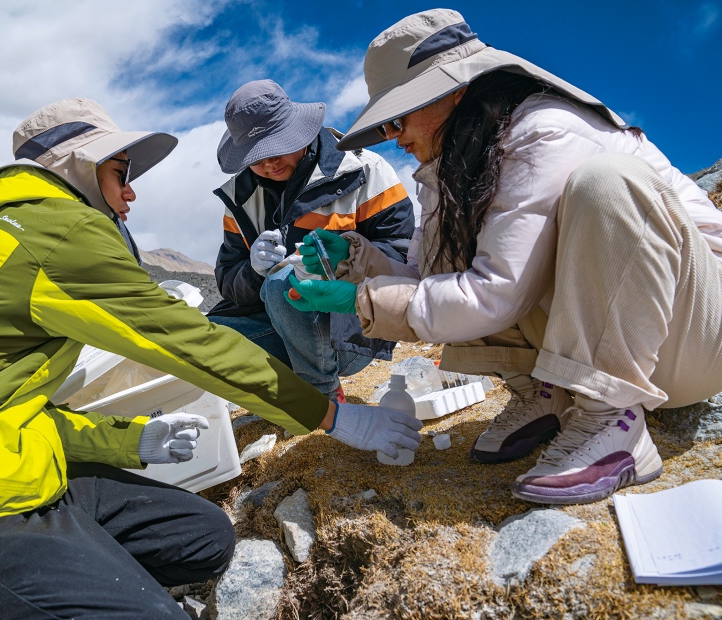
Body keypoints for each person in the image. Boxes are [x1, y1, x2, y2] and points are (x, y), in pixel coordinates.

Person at [0, 98, 423, 620]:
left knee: (205, 541)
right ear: (77, 169)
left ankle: (57, 586)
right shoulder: (57, 230)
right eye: (120, 174)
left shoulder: (7, 233)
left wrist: (130, 439)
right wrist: (332, 417)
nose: (131, 195)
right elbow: (187, 337)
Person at [287, 9, 722, 505]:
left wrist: (360, 300)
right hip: (637, 334)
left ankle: (612, 416)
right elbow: (433, 280)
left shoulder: (546, 130)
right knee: (462, 257)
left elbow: (493, 293)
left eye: (398, 116)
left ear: (451, 90)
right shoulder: (450, 169)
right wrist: (361, 263)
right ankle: (546, 395)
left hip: (696, 335)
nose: (394, 135)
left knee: (608, 183)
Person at [206, 79, 415, 402]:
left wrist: (340, 263)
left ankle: (322, 397)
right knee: (204, 336)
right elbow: (229, 280)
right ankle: (290, 386)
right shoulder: (240, 198)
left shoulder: (364, 169)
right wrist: (252, 270)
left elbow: (402, 254)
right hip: (281, 326)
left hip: (354, 325)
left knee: (281, 285)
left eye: (278, 147)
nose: (269, 163)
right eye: (257, 156)